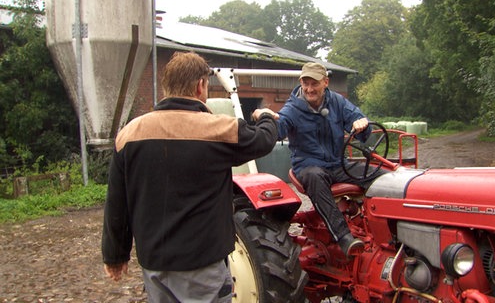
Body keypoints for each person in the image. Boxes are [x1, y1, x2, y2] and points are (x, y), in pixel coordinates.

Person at [101, 51, 279, 302]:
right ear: (200, 85)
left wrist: (115, 255)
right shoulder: (219, 129)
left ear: (166, 88)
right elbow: (264, 140)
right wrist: (266, 117)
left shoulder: (129, 134)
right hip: (202, 266)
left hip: (154, 265)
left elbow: (117, 202)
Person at [276, 62, 385, 258]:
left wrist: (362, 124)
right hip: (308, 166)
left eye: (314, 83)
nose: (309, 89)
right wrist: (268, 120)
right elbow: (279, 127)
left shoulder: (337, 102)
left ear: (325, 82)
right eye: (305, 83)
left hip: (337, 164)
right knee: (315, 177)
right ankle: (344, 237)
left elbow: (359, 122)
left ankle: (385, 233)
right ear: (301, 82)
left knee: (383, 177)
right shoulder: (292, 108)